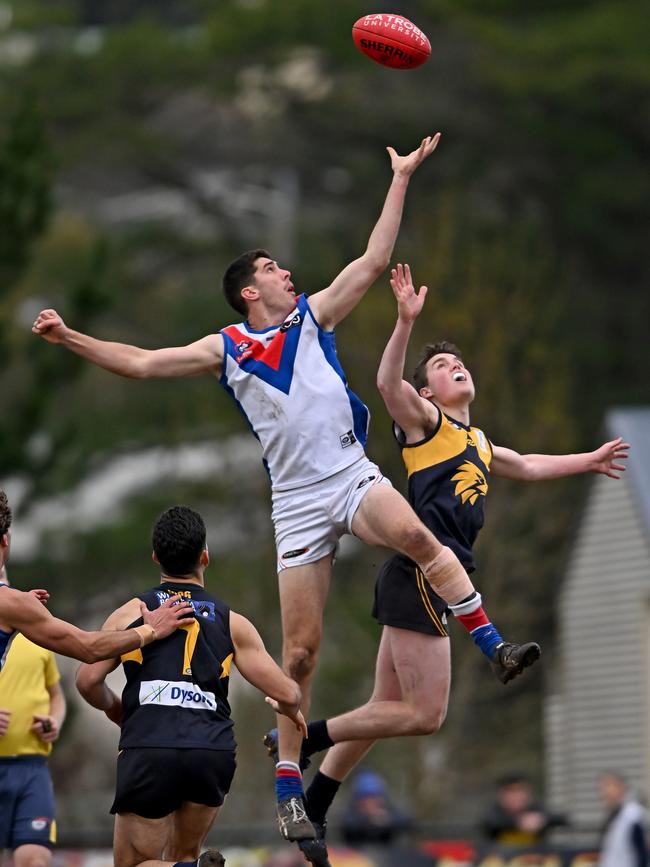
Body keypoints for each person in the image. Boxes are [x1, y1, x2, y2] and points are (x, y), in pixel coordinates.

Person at [33, 135, 539, 843]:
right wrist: (71, 338)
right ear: (250, 291)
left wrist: (398, 180)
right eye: (272, 269)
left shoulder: (314, 316)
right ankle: (289, 787)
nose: (286, 272)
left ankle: (495, 645)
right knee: (297, 655)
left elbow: (369, 261)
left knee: (421, 538)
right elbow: (144, 362)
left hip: (348, 473)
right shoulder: (227, 347)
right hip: (297, 502)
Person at [264, 263, 628, 864]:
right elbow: (386, 382)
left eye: (459, 362)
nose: (456, 366)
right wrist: (405, 323)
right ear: (428, 393)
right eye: (440, 366)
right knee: (425, 716)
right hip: (424, 574)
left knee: (384, 713)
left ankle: (318, 800)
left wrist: (586, 460)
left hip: (437, 580)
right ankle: (304, 737)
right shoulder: (425, 424)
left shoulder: (479, 441)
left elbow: (531, 464)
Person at [75, 505, 306, 867]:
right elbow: (289, 692)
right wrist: (289, 708)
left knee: (135, 863)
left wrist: (116, 709)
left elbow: (88, 680)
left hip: (150, 746)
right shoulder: (234, 622)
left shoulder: (130, 614)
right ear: (205, 557)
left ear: (155, 558)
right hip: (210, 751)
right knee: (184, 854)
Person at [0, 489, 195, 668]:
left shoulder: (15, 603)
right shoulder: (13, 603)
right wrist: (150, 629)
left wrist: (21, 606)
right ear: (5, 539)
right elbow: (88, 648)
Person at [0, 570, 67, 867]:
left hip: (31, 768)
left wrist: (54, 721)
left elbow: (57, 695)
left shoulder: (37, 637)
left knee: (33, 859)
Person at [480, 773, 566, 849]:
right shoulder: (494, 812)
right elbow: (489, 823)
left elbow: (561, 819)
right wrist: (519, 822)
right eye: (511, 792)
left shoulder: (536, 809)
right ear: (501, 795)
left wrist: (542, 819)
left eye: (520, 791)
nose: (516, 796)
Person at [339, 770, 412, 847]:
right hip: (358, 856)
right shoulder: (351, 814)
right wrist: (369, 820)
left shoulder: (390, 810)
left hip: (387, 855)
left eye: (375, 797)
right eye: (368, 798)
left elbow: (406, 822)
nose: (373, 802)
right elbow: (348, 826)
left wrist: (387, 820)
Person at [598, 772, 648, 867]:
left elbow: (641, 854)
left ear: (621, 787)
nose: (604, 792)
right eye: (602, 788)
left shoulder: (633, 815)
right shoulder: (614, 816)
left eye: (608, 786)